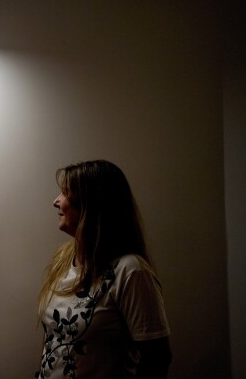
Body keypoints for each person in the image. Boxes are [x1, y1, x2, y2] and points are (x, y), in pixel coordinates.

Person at [35, 160, 171, 379]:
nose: (56, 201)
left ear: (92, 204)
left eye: (66, 193)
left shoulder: (130, 271)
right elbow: (54, 341)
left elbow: (156, 358)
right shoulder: (63, 259)